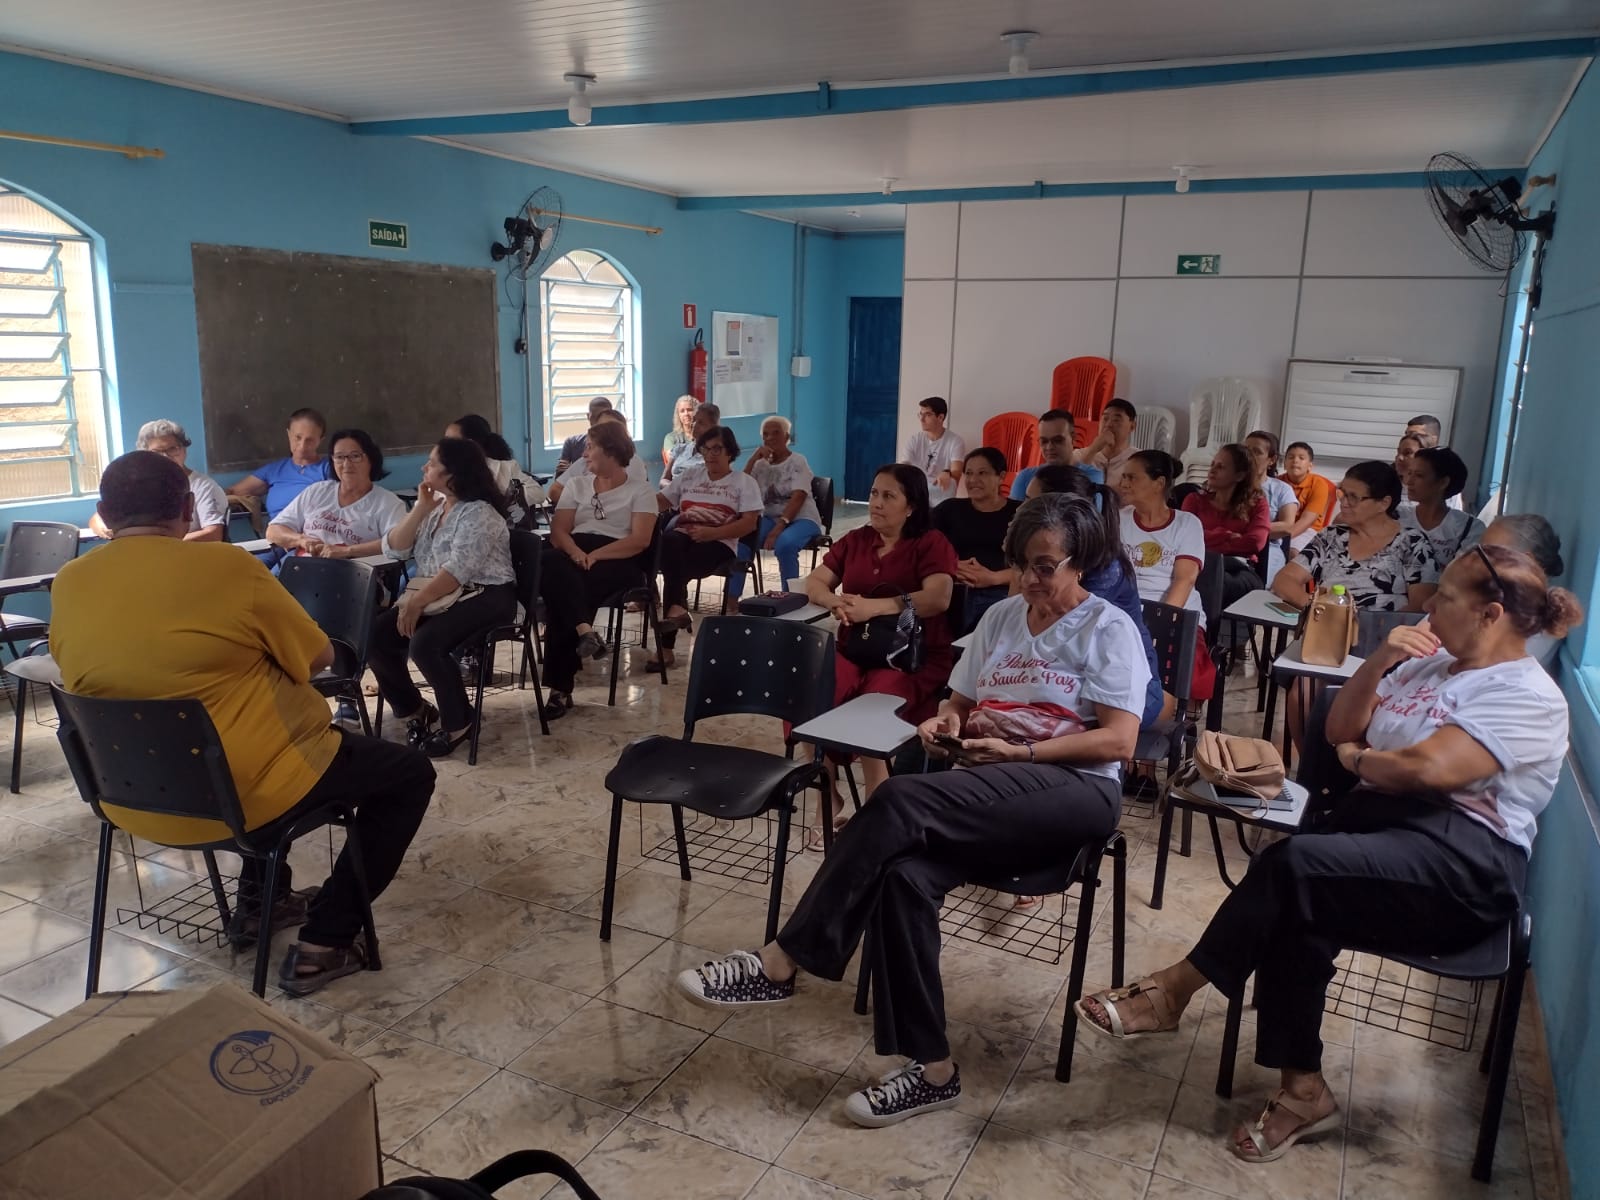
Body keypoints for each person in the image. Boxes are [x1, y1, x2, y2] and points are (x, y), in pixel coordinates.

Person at [1076, 545, 1579, 1165]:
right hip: (1382, 835)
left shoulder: (1527, 695)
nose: (1428, 606)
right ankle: (1303, 1091)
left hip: (1464, 868)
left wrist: (1361, 760)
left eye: (1446, 596)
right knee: (1298, 902)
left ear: (1490, 614)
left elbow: (1427, 770)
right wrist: (1384, 659)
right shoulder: (1427, 662)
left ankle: (1175, 989)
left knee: (1294, 868)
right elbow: (1340, 727)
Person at [675, 495, 1149, 1127]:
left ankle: (782, 961)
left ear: (1079, 562)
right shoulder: (1003, 618)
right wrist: (945, 724)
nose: (1030, 579)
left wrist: (1023, 750)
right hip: (991, 789)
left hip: (1075, 792)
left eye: (1045, 566)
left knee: (897, 797)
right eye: (1021, 565)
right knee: (903, 877)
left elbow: (1119, 742)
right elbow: (958, 703)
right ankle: (933, 1072)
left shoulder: (1107, 628)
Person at [50, 451, 434, 997]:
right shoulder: (228, 568)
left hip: (126, 798)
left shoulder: (70, 581)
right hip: (241, 800)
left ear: (104, 513)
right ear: (188, 509)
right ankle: (324, 942)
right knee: (407, 774)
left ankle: (260, 906)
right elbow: (319, 657)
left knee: (249, 728)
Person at [803, 464, 956, 829]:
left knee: (873, 703)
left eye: (889, 496)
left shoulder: (930, 543)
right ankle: (827, 790)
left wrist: (878, 607)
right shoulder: (857, 539)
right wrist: (834, 601)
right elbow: (815, 582)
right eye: (874, 493)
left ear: (911, 506)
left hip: (910, 657)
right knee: (807, 689)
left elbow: (938, 598)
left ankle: (876, 803)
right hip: (857, 649)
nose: (876, 503)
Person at [368, 438, 515, 758]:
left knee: (425, 644)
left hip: (487, 595)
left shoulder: (480, 512)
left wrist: (416, 602)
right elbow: (396, 548)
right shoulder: (436, 507)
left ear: (453, 473)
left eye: (432, 463)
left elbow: (457, 571)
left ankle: (459, 722)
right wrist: (421, 508)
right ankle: (415, 709)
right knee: (376, 637)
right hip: (441, 593)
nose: (424, 467)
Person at [538, 420, 659, 721]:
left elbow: (640, 540)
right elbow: (559, 532)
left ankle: (559, 689)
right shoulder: (577, 485)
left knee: (562, 595)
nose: (584, 454)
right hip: (575, 553)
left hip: (619, 557)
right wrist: (577, 553)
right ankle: (584, 630)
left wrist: (596, 555)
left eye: (590, 447)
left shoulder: (641, 491)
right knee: (552, 563)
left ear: (611, 451)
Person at [1026, 464, 1165, 726]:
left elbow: (1058, 631)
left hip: (1130, 691)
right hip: (1071, 673)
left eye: (1032, 505)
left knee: (1038, 717)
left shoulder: (1106, 569)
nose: (1021, 512)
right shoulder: (1048, 559)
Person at [652, 426, 762, 668]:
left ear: (730, 452)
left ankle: (666, 648)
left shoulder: (744, 482)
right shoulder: (691, 475)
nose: (710, 454)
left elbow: (749, 524)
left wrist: (713, 533)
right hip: (683, 536)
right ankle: (676, 612)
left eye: (717, 449)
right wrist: (635, 499)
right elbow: (662, 500)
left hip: (719, 542)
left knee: (672, 572)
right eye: (705, 449)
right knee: (668, 542)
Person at [1271, 461, 1438, 614]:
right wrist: (1319, 610)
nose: (1343, 503)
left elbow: (1420, 607)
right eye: (1342, 493)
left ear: (1384, 503)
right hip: (1327, 629)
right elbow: (1284, 579)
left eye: (1353, 497)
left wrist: (1363, 627)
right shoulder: (1331, 536)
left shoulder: (1413, 544)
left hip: (1384, 633)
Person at [1117, 450, 1215, 703]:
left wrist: (1159, 624)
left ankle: (1174, 714)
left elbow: (1185, 580)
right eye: (1123, 477)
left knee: (1181, 671)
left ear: (1158, 483)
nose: (1123, 483)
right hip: (1128, 611)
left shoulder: (1186, 524)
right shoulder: (1118, 520)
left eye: (1132, 477)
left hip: (1174, 613)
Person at [267, 427, 407, 561]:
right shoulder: (317, 491)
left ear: (371, 459)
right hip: (302, 565)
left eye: (355, 456)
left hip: (355, 572)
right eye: (339, 457)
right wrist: (301, 540)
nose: (346, 464)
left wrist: (347, 551)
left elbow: (398, 544)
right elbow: (273, 530)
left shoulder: (387, 503)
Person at [90, 419, 227, 543]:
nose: (166, 456)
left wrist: (155, 545)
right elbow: (99, 516)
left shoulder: (203, 486)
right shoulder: (141, 483)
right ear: (145, 455)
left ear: (184, 450)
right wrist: (102, 527)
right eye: (157, 452)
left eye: (172, 449)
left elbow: (213, 534)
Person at [932, 447, 1019, 635]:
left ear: (1001, 476)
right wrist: (951, 565)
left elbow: (1032, 568)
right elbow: (923, 547)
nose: (973, 480)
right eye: (969, 473)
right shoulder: (949, 509)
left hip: (1000, 593)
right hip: (951, 589)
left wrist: (992, 578)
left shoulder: (1019, 514)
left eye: (982, 473)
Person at [734, 414, 823, 595]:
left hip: (802, 518)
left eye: (776, 433)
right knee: (742, 539)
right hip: (769, 517)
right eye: (765, 435)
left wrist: (779, 527)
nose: (770, 438)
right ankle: (732, 598)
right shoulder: (760, 465)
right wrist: (752, 460)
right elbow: (740, 488)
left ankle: (789, 597)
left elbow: (798, 497)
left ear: (786, 437)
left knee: (785, 544)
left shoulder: (797, 461)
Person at [1181, 444, 1269, 610]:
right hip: (1200, 564)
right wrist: (1226, 535)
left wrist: (1206, 539)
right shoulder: (1194, 500)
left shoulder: (1257, 503)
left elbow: (1255, 542)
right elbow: (1185, 538)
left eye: (1221, 467)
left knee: (1215, 581)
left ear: (1239, 475)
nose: (1212, 470)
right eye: (1212, 464)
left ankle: (1205, 626)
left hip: (1240, 569)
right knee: (1201, 576)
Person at [1481, 513, 1565, 668]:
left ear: (1527, 561)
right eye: (1480, 551)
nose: (1478, 560)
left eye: (1491, 554)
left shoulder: (1539, 620)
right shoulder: (1493, 596)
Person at [225, 408, 331, 527]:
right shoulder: (275, 470)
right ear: (289, 434)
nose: (302, 446)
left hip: (314, 536)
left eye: (310, 440)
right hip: (278, 535)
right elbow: (234, 491)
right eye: (298, 437)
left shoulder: (329, 469)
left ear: (320, 440)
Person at [1399, 447, 1485, 564]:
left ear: (1443, 482)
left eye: (1419, 475)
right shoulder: (1397, 516)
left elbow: (1464, 571)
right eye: (1409, 473)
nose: (1409, 481)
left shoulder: (1469, 528)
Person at [547, 410, 648, 503]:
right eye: (601, 428)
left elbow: (633, 500)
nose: (605, 433)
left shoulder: (633, 463)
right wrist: (580, 506)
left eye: (612, 429)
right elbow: (554, 490)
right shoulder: (585, 461)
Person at [446, 414, 545, 506]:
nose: (444, 446)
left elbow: (538, 493)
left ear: (470, 445)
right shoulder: (446, 470)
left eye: (450, 442)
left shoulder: (505, 468)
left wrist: (500, 499)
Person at [1244, 430, 1300, 583]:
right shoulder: (1230, 484)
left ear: (1271, 459)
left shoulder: (1282, 489)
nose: (1249, 456)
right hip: (1229, 543)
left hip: (1268, 549)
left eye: (1257, 452)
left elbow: (1287, 526)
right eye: (1246, 450)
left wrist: (1249, 530)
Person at [1010, 409, 1102, 499]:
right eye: (1044, 441)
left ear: (1073, 438)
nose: (1049, 447)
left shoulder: (1091, 476)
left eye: (1058, 440)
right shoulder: (1026, 476)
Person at [901, 396, 966, 506]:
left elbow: (956, 472)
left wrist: (947, 472)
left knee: (950, 482)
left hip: (940, 491)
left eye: (927, 415)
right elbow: (904, 466)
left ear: (940, 417)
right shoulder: (914, 440)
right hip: (918, 490)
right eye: (920, 414)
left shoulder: (955, 441)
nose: (922, 419)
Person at [1280, 441, 1334, 551]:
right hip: (1281, 527)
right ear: (1285, 464)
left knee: (1293, 552)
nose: (1295, 461)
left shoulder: (1319, 484)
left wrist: (1283, 539)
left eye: (1301, 458)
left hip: (1307, 529)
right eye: (1291, 457)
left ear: (1310, 466)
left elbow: (1307, 520)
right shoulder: (1277, 482)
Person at [1073, 397, 1137, 483]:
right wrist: (1092, 450)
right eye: (1105, 418)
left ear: (1132, 426)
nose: (1108, 424)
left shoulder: (1138, 460)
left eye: (1116, 420)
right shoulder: (1078, 455)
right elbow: (1073, 485)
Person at [662, 402, 722, 484]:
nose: (694, 424)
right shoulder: (680, 449)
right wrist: (672, 488)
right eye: (694, 420)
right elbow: (664, 480)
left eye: (700, 422)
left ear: (713, 427)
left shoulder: (716, 456)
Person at [557, 396, 613, 475]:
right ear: (588, 416)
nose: (598, 421)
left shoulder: (618, 444)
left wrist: (572, 470)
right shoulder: (572, 442)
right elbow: (560, 476)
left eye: (602, 417)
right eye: (595, 417)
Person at [662, 394, 697, 467]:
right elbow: (673, 463)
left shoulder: (705, 436)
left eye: (689, 410)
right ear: (678, 415)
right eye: (682, 411)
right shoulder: (670, 438)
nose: (686, 413)